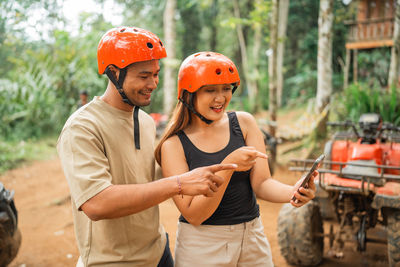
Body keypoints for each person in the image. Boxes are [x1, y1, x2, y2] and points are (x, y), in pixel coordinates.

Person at [56, 27, 238, 267]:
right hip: (112, 261)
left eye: (156, 74)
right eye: (144, 76)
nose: (153, 83)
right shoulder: (82, 127)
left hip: (158, 252)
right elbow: (96, 203)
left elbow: (145, 176)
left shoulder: (143, 120)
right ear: (113, 73)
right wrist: (180, 183)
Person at [155, 52, 317, 267]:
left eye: (226, 88)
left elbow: (262, 183)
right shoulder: (173, 146)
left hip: (252, 238)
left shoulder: (244, 123)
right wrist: (229, 164)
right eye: (210, 90)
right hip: (203, 246)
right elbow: (194, 215)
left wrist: (293, 192)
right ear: (188, 94)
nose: (220, 98)